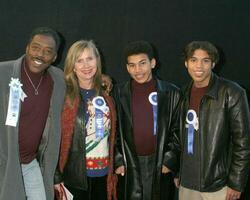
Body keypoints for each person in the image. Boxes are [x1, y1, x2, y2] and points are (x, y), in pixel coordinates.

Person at [175, 41, 250, 200]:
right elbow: (177, 138)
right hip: (187, 184)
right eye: (194, 60)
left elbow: (243, 143)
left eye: (206, 60)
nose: (199, 66)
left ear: (213, 63)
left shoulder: (232, 93)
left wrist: (236, 182)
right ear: (186, 63)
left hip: (219, 185)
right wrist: (177, 171)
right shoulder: (181, 94)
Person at [0, 27, 65, 199]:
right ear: (27, 48)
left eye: (47, 51)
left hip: (30, 162)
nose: (40, 55)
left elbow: (79, 82)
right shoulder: (3, 73)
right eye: (36, 47)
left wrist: (102, 79)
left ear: (55, 57)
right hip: (5, 163)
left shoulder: (57, 79)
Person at [114, 40, 181, 200]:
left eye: (142, 63)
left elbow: (178, 130)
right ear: (127, 67)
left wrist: (168, 161)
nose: (138, 70)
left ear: (153, 63)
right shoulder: (117, 93)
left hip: (159, 164)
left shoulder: (171, 92)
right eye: (132, 65)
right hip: (129, 163)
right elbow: (113, 130)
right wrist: (118, 161)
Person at [54, 39, 117, 200]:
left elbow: (114, 137)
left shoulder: (108, 98)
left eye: (90, 58)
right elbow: (52, 139)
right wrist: (56, 176)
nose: (86, 65)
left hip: (103, 177)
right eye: (79, 61)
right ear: (73, 67)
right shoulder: (63, 97)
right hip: (73, 179)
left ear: (97, 60)